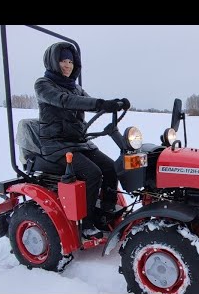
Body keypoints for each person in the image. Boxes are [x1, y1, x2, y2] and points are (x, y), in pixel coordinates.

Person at [34, 42, 130, 239]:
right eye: (62, 61)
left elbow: (90, 103)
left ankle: (105, 212)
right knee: (92, 173)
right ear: (53, 62)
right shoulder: (43, 85)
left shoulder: (75, 88)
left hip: (78, 142)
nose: (67, 65)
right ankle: (86, 225)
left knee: (112, 167)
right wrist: (100, 103)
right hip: (55, 145)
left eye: (70, 61)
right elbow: (64, 101)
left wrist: (115, 104)